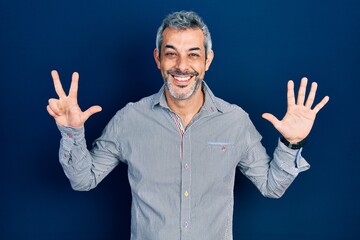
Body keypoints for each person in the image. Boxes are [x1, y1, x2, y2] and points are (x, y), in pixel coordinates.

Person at [47, 11, 329, 240]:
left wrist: (292, 144)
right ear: (158, 59)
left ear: (208, 60)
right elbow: (84, 180)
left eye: (193, 54)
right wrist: (71, 132)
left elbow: (271, 186)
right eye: (171, 53)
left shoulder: (234, 121)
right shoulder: (129, 119)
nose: (182, 66)